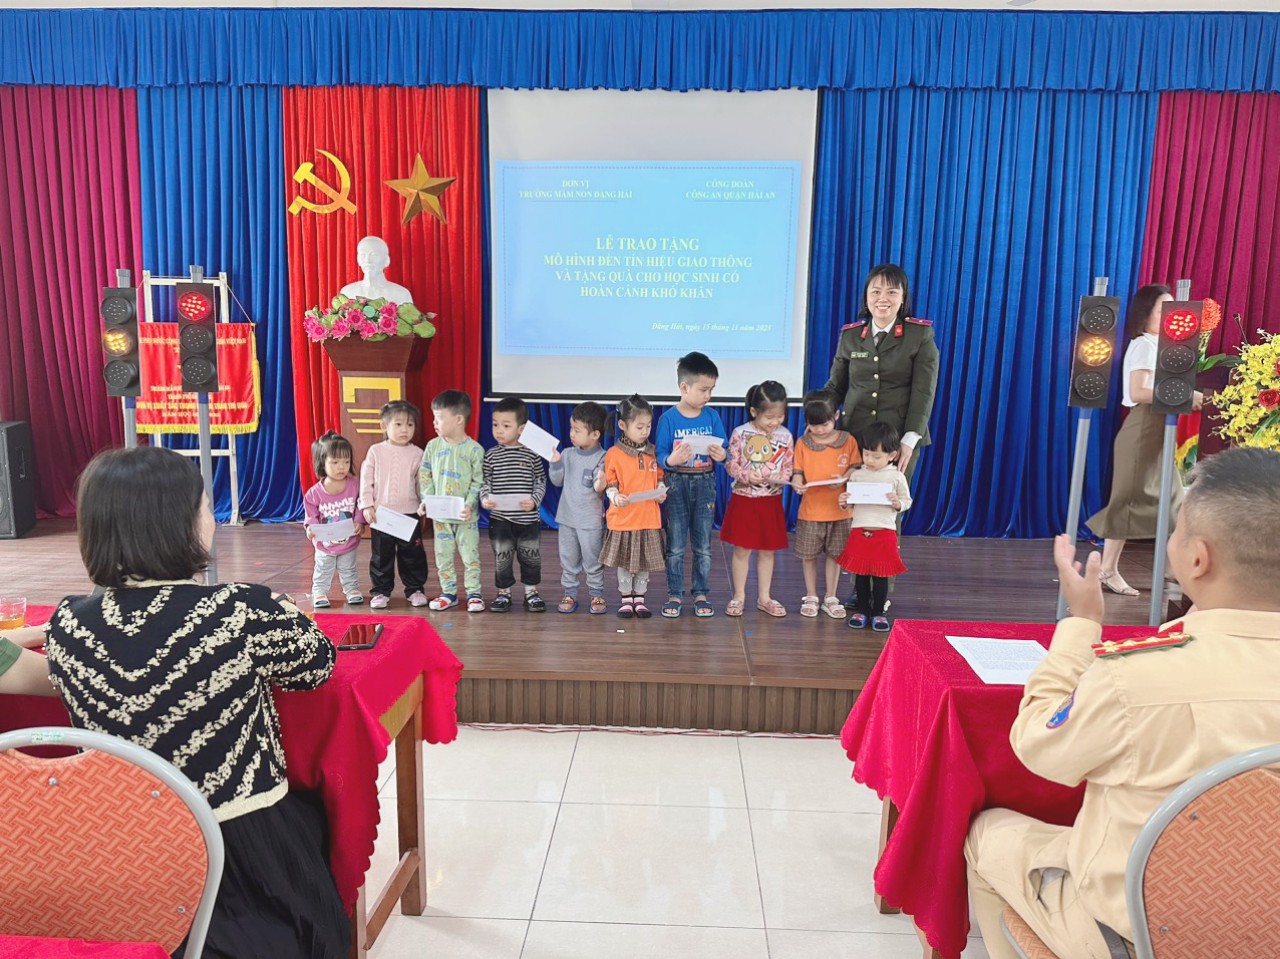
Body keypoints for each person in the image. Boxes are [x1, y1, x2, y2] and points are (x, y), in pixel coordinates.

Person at [965, 447, 1280, 959]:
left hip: (1137, 935)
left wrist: (1081, 624)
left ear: (1197, 559)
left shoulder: (1135, 679)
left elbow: (1039, 746)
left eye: (1175, 531)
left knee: (986, 834)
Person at [42, 446, 348, 959]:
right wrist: (294, 614)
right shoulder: (242, 609)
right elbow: (316, 666)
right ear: (180, 523)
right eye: (205, 506)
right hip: (243, 850)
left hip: (116, 851)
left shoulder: (68, 623)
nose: (213, 518)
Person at [1086, 284, 1203, 596]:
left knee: (1176, 501)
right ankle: (1107, 570)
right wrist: (1185, 395)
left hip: (1160, 430)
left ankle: (1172, 570)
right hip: (1143, 430)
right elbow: (1138, 392)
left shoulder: (1161, 346)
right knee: (1128, 502)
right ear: (1146, 313)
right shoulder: (1144, 345)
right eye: (1162, 308)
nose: (1169, 315)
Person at [823, 263, 938, 481]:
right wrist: (819, 417)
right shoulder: (851, 335)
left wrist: (909, 439)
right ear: (866, 297)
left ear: (903, 298)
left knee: (889, 500)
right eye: (876, 292)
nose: (882, 299)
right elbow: (835, 387)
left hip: (897, 437)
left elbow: (923, 391)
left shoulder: (919, 335)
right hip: (853, 435)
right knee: (850, 498)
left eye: (892, 292)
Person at [654, 351, 728, 619]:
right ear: (684, 387)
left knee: (703, 545)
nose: (708, 396)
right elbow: (660, 455)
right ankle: (675, 594)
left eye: (712, 390)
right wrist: (670, 460)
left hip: (705, 483)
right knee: (675, 545)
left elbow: (724, 449)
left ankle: (701, 593)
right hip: (676, 484)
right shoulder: (668, 419)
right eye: (704, 390)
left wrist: (722, 455)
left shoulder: (712, 417)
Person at [720, 381, 794, 618]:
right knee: (742, 550)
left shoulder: (786, 436)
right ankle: (739, 596)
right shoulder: (740, 433)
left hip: (771, 501)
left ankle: (765, 598)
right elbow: (730, 464)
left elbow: (789, 467)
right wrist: (745, 475)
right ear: (754, 411)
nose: (775, 422)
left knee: (768, 551)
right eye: (769, 417)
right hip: (744, 499)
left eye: (780, 416)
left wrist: (781, 477)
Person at [790, 390, 861, 619]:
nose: (819, 430)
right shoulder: (803, 442)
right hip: (811, 511)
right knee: (809, 555)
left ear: (836, 416)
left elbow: (855, 467)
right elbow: (798, 471)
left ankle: (831, 596)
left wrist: (845, 477)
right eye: (813, 425)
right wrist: (797, 482)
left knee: (835, 555)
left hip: (840, 511)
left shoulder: (848, 440)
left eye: (824, 424)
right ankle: (811, 595)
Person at [837, 422, 911, 631]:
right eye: (866, 454)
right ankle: (862, 610)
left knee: (881, 576)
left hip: (884, 531)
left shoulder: (896, 476)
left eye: (876, 456)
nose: (869, 459)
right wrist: (844, 501)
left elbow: (907, 501)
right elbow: (850, 504)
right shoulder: (857, 475)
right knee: (861, 574)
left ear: (892, 455)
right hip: (859, 529)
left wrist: (898, 503)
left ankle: (878, 613)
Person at [600, 395, 667, 619]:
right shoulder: (614, 454)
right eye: (639, 427)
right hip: (624, 519)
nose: (645, 431)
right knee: (626, 562)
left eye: (648, 426)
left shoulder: (653, 452)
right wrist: (614, 496)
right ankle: (626, 598)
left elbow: (659, 477)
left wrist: (661, 490)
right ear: (622, 425)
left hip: (648, 518)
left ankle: (640, 598)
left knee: (644, 562)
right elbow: (610, 483)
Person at [419, 390, 485, 613]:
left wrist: (470, 504)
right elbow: (425, 475)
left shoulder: (474, 450)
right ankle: (449, 593)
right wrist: (427, 500)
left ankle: (474, 594)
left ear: (458, 419)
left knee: (470, 556)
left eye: (439, 418)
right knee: (443, 556)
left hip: (466, 518)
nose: (434, 423)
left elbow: (478, 481)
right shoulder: (433, 446)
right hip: (441, 518)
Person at [479, 397, 547, 612]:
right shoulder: (491, 455)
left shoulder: (532, 454)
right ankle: (503, 593)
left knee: (530, 557)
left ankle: (531, 592)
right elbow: (485, 482)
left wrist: (534, 501)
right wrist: (484, 498)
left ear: (521, 429)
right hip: (500, 519)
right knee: (502, 557)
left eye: (506, 426)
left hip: (528, 519)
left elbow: (540, 480)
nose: (499, 430)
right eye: (495, 425)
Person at [360, 400, 428, 609]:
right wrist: (367, 505)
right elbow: (366, 479)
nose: (404, 430)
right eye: (398, 424)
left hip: (410, 514)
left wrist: (425, 501)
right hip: (382, 515)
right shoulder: (375, 451)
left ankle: (415, 589)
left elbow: (423, 482)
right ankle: (381, 591)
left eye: (410, 424)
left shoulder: (418, 453)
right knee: (382, 556)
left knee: (413, 555)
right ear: (384, 426)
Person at [549, 401, 609, 615]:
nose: (571, 434)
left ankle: (596, 594)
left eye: (577, 430)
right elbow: (557, 481)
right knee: (568, 559)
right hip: (567, 518)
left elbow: (600, 487)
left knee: (593, 560)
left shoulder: (603, 457)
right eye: (571, 428)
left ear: (595, 435)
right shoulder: (567, 454)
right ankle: (570, 593)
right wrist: (556, 463)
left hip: (590, 521)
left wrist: (601, 483)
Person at [303, 431, 364, 608]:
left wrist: (359, 520)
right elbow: (311, 515)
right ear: (322, 462)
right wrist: (311, 527)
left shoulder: (355, 485)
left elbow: (361, 503)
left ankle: (351, 589)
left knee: (348, 567)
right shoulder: (314, 493)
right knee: (323, 567)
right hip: (325, 543)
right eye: (335, 462)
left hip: (348, 540)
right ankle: (319, 592)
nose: (341, 467)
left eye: (346, 461)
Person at [339, 235, 414, 304]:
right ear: (358, 260)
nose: (367, 260)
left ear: (386, 260)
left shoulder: (400, 294)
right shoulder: (347, 293)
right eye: (363, 255)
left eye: (374, 255)